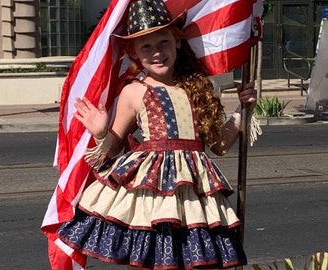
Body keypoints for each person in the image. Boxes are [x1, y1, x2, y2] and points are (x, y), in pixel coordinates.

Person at [57, 0, 258, 269]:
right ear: (134, 52)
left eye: (163, 42)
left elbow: (219, 145)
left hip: (193, 196)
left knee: (197, 261)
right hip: (151, 195)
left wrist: (242, 112)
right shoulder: (133, 92)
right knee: (148, 261)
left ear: (176, 41)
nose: (156, 53)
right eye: (146, 47)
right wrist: (102, 131)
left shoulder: (199, 88)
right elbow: (114, 147)